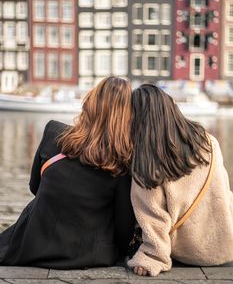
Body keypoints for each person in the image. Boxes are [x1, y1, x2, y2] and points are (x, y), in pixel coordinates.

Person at [0, 76, 135, 269]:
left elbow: (34, 187)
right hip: (88, 254)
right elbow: (124, 229)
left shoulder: (53, 133)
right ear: (127, 116)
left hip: (30, 246)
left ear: (90, 102)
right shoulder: (122, 162)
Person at [127, 84, 233, 277]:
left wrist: (152, 258)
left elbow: (153, 217)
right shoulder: (210, 142)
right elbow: (226, 196)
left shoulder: (149, 158)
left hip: (188, 253)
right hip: (225, 248)